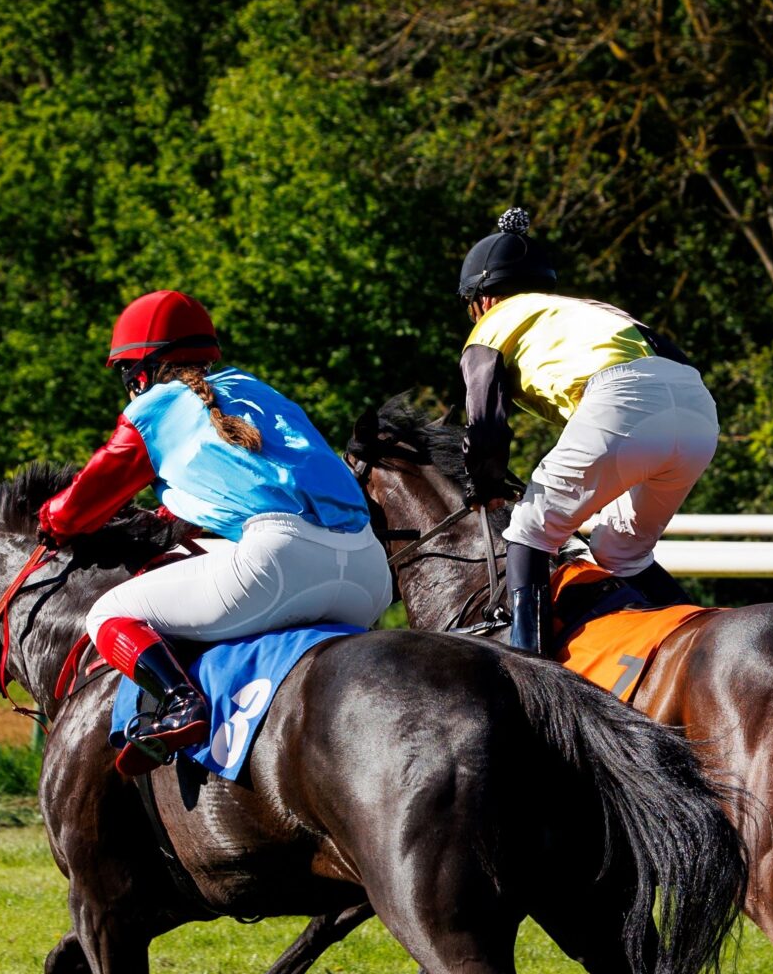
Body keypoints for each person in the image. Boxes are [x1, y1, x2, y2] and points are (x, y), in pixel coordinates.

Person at [37, 289, 389, 769]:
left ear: (140, 371)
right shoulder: (255, 388)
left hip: (282, 560)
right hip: (369, 573)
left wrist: (49, 522)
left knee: (106, 614)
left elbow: (78, 508)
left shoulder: (157, 406)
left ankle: (182, 704)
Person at [455, 208, 720, 654]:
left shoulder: (494, 323)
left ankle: (531, 670)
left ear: (483, 299)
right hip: (698, 409)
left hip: (624, 400)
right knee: (622, 552)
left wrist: (485, 483)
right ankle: (703, 646)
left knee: (529, 530)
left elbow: (485, 422)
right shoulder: (589, 310)